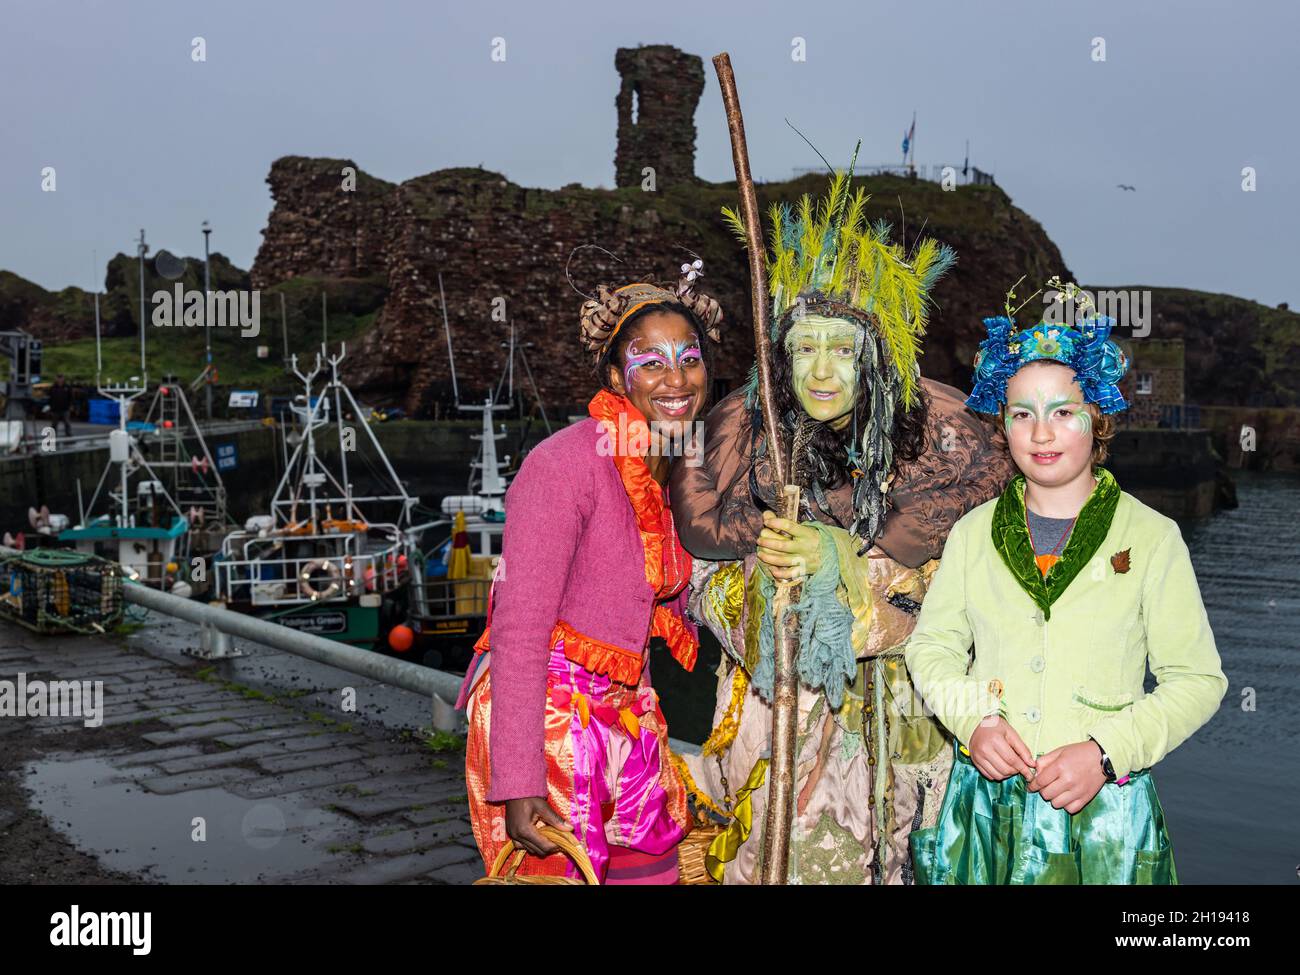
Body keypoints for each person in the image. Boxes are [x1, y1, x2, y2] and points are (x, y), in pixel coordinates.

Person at [670, 173, 1015, 884]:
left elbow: (955, 623)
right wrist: (770, 577)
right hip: (768, 741)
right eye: (803, 349)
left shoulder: (939, 458)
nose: (820, 371)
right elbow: (703, 586)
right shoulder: (746, 445)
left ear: (876, 357)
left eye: (842, 349)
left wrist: (849, 568)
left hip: (884, 753)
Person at [905, 288, 1228, 884]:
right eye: (1022, 412)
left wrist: (1106, 753)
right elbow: (932, 648)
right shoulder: (973, 533)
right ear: (1002, 424)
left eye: (1063, 411)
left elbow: (1199, 681)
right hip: (986, 807)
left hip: (1103, 815)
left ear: (1098, 417)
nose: (1041, 432)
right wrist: (974, 720)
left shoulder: (1153, 538)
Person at [457, 260, 725, 884]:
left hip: (627, 713)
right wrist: (517, 780)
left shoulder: (679, 467)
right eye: (649, 361)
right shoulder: (564, 465)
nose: (675, 378)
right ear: (615, 374)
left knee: (654, 871)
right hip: (550, 726)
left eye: (689, 358)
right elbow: (519, 629)